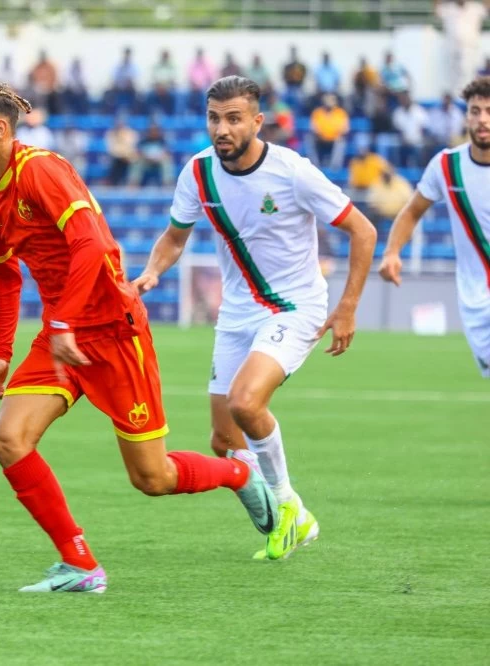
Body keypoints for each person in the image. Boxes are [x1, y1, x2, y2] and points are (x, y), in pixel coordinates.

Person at [0, 81, 278, 593]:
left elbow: (92, 245)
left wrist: (63, 321)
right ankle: (80, 565)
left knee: (153, 478)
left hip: (112, 333)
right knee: (8, 440)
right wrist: (0, 354)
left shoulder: (41, 170)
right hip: (60, 339)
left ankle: (238, 474)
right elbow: (5, 277)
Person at [133, 76, 377, 561]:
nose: (221, 129)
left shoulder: (292, 172)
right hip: (238, 314)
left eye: (233, 118)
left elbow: (363, 230)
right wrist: (150, 272)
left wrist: (346, 307)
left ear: (257, 121)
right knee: (224, 440)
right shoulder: (198, 173)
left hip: (296, 306)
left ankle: (287, 506)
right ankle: (294, 522)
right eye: (214, 118)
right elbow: (175, 237)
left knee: (246, 403)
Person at [380, 76, 490, 379]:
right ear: (466, 116)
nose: (483, 120)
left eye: (489, 111)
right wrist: (392, 252)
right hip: (476, 301)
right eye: (475, 111)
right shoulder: (446, 166)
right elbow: (412, 211)